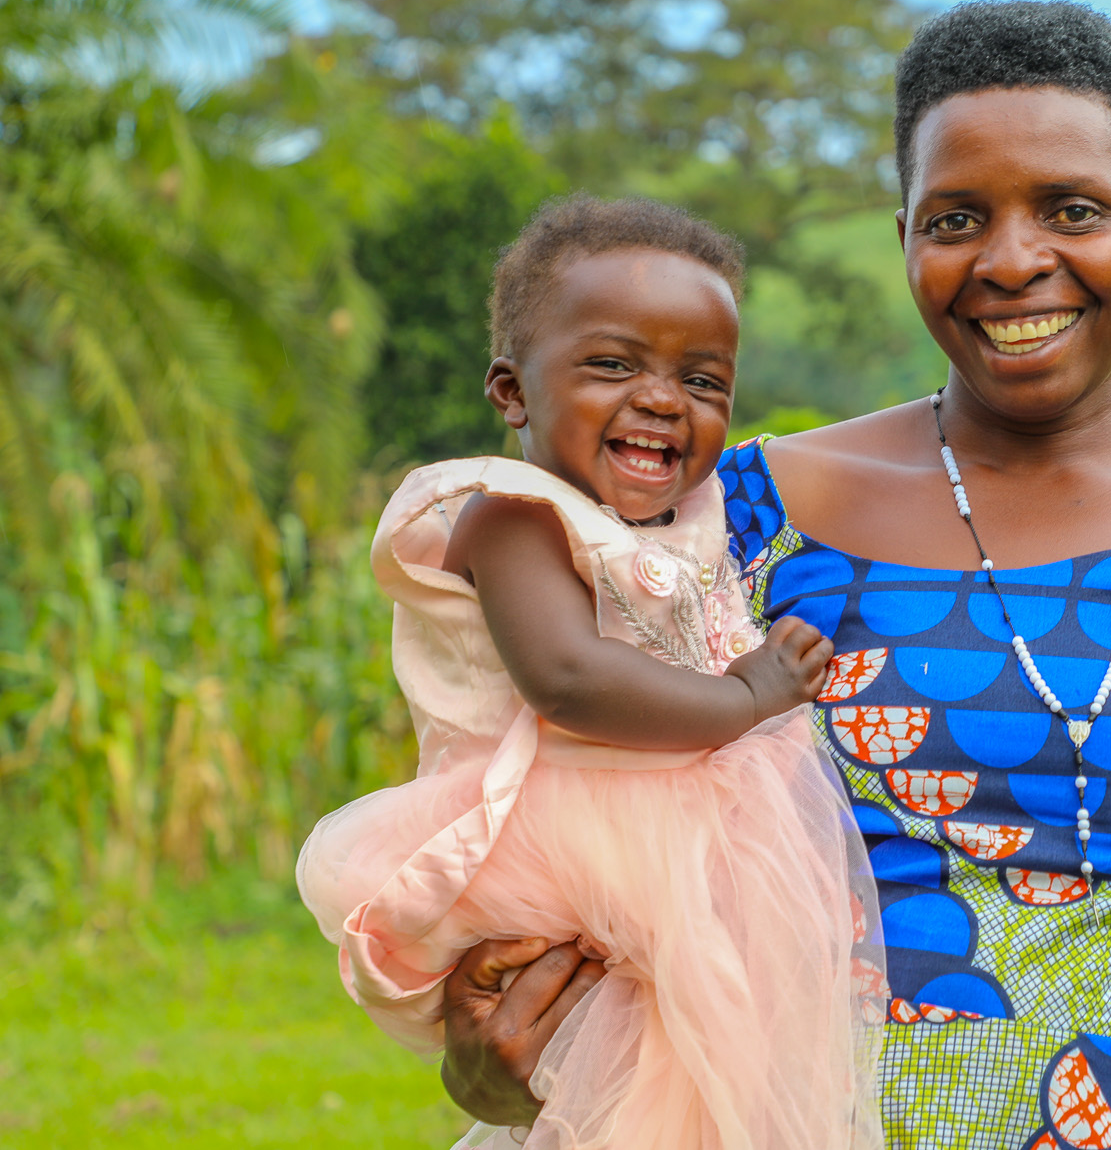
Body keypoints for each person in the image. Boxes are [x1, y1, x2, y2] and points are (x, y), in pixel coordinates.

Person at [442, 2, 1111, 1149]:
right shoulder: (734, 523)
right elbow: (555, 810)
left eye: (1072, 210)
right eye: (957, 218)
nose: (1012, 261)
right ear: (907, 235)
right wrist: (494, 1055)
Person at [296, 197, 884, 1150]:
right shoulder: (513, 516)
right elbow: (567, 675)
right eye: (613, 364)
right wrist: (750, 694)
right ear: (513, 391)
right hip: (587, 828)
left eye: (703, 379)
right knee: (618, 1074)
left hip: (699, 839)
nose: (662, 398)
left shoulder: (691, 515)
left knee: (709, 1065)